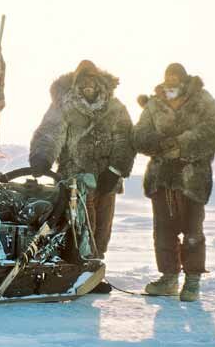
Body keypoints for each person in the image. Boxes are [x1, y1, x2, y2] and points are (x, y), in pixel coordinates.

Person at [29, 60, 136, 292]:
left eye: (92, 79)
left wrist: (115, 170)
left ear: (99, 82)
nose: (88, 84)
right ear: (77, 82)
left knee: (102, 228)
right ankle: (79, 271)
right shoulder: (63, 105)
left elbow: (125, 140)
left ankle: (94, 272)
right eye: (83, 80)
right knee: (79, 227)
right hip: (75, 178)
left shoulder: (115, 108)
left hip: (106, 178)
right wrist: (42, 157)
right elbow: (50, 132)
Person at [133, 63, 215, 301]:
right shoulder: (154, 104)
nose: (172, 80)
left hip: (192, 177)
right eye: (168, 76)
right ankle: (168, 279)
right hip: (161, 177)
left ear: (184, 79)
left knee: (193, 231)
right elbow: (139, 135)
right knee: (163, 231)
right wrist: (163, 144)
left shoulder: (202, 100)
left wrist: (183, 144)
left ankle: (193, 281)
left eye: (176, 76)